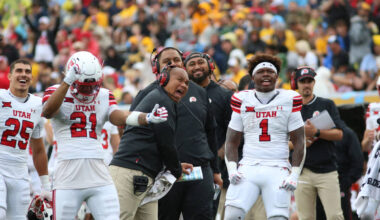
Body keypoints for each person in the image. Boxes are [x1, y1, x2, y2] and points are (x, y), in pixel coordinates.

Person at [42, 51, 168, 219]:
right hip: (67, 173)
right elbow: (48, 111)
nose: (89, 89)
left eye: (93, 84)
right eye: (84, 85)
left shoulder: (103, 95)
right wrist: (67, 82)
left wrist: (146, 117)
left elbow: (118, 116)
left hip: (98, 172)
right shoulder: (57, 91)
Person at [224, 54, 306, 220]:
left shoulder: (288, 99)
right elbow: (231, 142)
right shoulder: (243, 99)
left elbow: (299, 142)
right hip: (248, 166)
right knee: (232, 214)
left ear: (277, 76)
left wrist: (295, 175)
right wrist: (232, 170)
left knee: (278, 217)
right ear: (253, 77)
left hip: (278, 167)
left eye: (270, 71)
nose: (266, 74)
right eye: (261, 71)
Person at [110, 64, 193, 220]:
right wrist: (176, 169)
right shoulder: (161, 100)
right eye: (180, 80)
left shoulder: (164, 99)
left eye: (187, 83)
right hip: (130, 171)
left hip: (145, 174)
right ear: (164, 79)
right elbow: (166, 143)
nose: (184, 85)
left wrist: (175, 166)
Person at [157, 51, 220, 220]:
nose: (172, 64)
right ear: (157, 66)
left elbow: (210, 132)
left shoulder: (199, 92)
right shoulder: (149, 93)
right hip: (165, 173)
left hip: (199, 171)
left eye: (176, 60)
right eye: (167, 61)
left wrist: (215, 170)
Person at [291, 66, 345, 220]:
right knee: (305, 217)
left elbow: (339, 134)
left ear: (314, 82)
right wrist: (301, 142)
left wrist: (316, 132)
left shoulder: (326, 104)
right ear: (297, 83)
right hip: (302, 170)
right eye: (303, 81)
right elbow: (282, 142)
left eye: (309, 81)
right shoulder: (290, 107)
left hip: (326, 169)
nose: (306, 84)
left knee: (335, 216)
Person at [181, 52, 231, 218]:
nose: (196, 67)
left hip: (213, 168)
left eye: (200, 62)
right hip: (183, 166)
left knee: (207, 214)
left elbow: (235, 131)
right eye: (192, 64)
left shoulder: (224, 96)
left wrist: (217, 155)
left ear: (210, 66)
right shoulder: (178, 94)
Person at [0, 59, 50, 219]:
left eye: (27, 71)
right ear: (9, 76)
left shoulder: (37, 104)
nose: (24, 75)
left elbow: (38, 149)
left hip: (20, 170)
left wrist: (46, 185)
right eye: (19, 71)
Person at [316, 124, 364, 220]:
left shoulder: (347, 134)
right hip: (317, 181)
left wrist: (345, 182)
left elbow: (357, 161)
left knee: (340, 214)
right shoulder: (314, 133)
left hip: (340, 183)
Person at [357, 77, 380, 219]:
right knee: (367, 213)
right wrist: (368, 139)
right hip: (375, 167)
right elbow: (364, 147)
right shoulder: (373, 110)